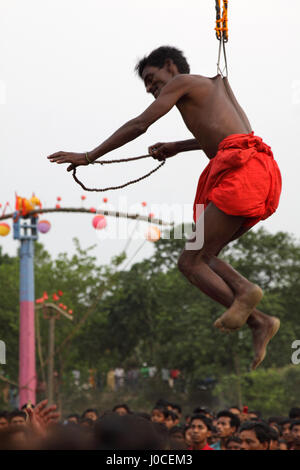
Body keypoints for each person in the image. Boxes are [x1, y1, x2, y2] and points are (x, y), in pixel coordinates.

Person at [48, 46, 282, 369]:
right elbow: (223, 134)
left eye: (150, 78)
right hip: (258, 169)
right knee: (205, 256)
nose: (149, 88)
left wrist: (89, 156)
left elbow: (140, 124)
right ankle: (259, 321)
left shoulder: (182, 81)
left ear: (169, 66)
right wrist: (177, 146)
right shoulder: (211, 88)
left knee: (190, 261)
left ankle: (245, 293)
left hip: (242, 170)